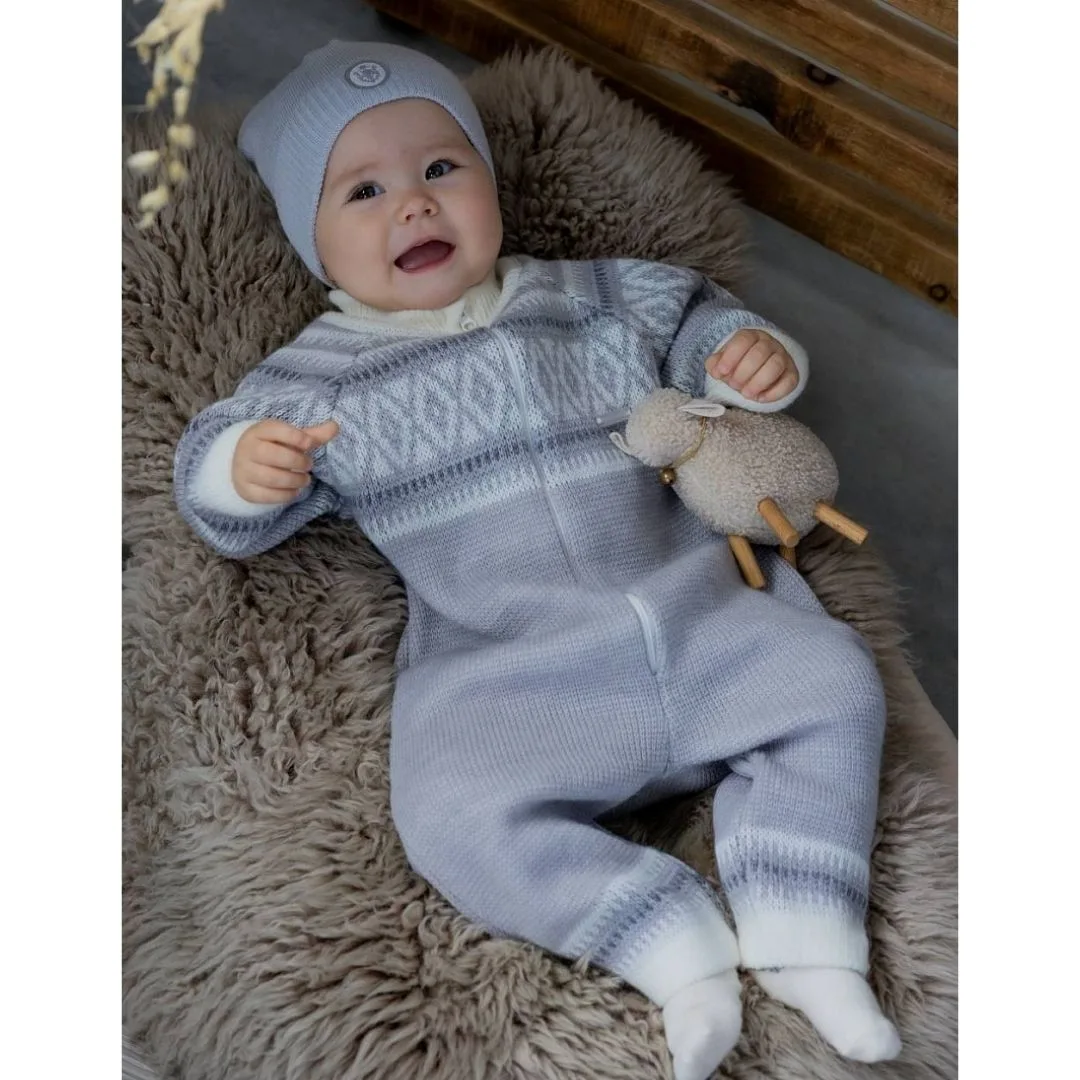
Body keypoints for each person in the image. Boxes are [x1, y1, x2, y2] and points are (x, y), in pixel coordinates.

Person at [173, 40, 901, 1080]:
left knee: (834, 682)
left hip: (701, 617)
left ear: (488, 181)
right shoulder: (317, 382)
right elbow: (212, 480)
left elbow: (704, 324)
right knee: (449, 817)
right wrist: (244, 470)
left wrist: (749, 357)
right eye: (364, 192)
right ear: (312, 242)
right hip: (513, 676)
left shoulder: (601, 298)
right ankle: (667, 941)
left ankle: (807, 933)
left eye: (442, 167)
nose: (414, 204)